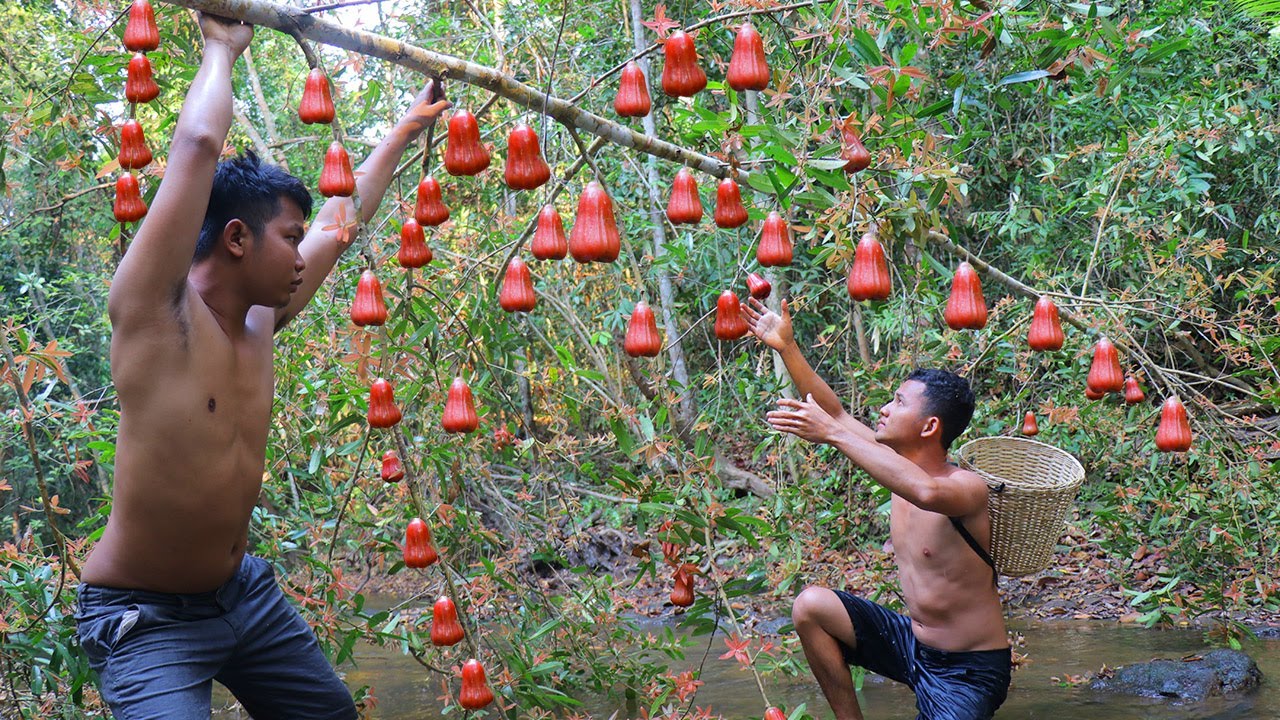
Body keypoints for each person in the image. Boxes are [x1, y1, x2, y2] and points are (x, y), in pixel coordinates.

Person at [75, 13, 449, 719]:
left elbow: (345, 218)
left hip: (241, 595)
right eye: (290, 238)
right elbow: (196, 144)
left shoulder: (259, 318)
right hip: (144, 616)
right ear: (238, 238)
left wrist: (404, 130)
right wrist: (221, 46)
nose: (305, 254)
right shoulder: (156, 311)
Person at [743, 297, 1011, 720]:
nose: (885, 409)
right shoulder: (897, 464)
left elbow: (924, 492)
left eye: (900, 403)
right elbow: (834, 411)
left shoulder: (965, 487)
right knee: (810, 606)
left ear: (929, 427)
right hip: (913, 644)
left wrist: (834, 434)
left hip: (968, 670)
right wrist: (787, 347)